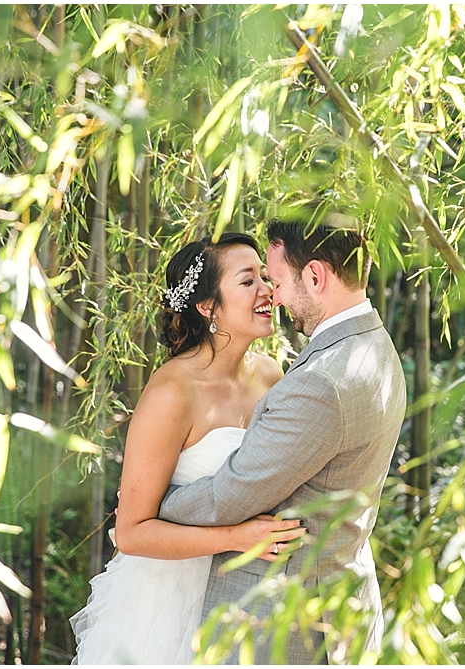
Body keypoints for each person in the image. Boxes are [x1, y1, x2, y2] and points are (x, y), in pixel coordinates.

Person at [158, 211, 407, 664]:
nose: (274, 296)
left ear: (315, 276)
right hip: (333, 598)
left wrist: (152, 510)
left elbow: (230, 496)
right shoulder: (375, 346)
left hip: (280, 622)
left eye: (276, 280)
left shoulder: (324, 380)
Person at [70, 232, 308, 664]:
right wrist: (236, 537)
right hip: (169, 599)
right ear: (207, 306)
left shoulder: (270, 375)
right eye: (247, 280)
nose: (267, 290)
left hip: (245, 589)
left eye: (264, 276)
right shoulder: (172, 392)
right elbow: (131, 532)